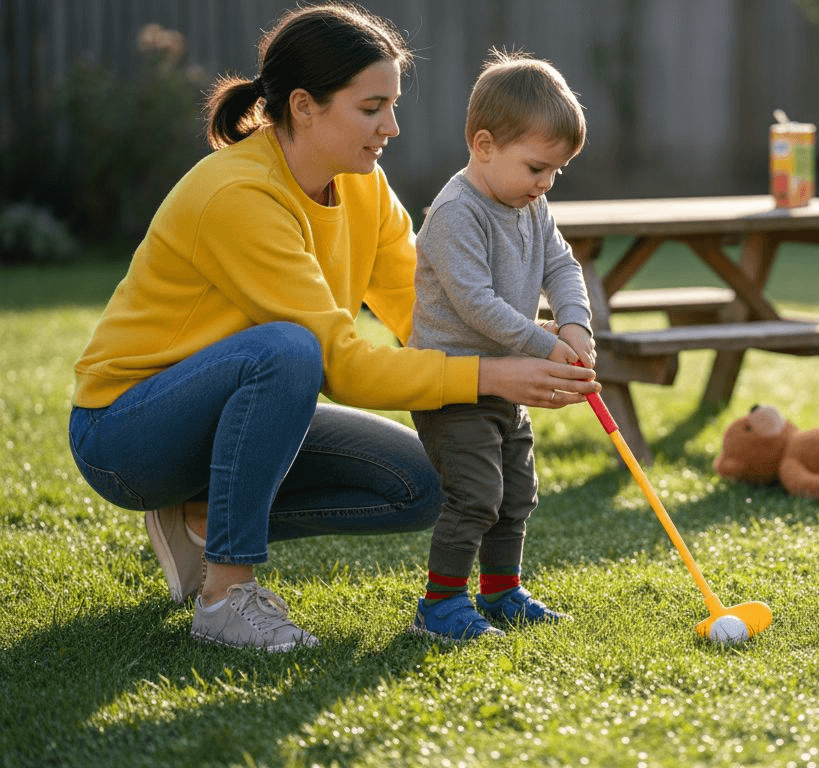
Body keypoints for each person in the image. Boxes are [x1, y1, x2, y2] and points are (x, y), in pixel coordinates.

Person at [66, 6, 599, 653]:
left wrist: (531, 346)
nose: (392, 127)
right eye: (372, 108)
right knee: (289, 350)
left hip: (235, 408)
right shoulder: (239, 195)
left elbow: (425, 312)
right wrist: (493, 374)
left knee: (432, 482)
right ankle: (226, 596)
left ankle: (202, 516)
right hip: (125, 434)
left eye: (392, 106)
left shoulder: (362, 187)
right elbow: (337, 363)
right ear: (304, 106)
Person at [407, 50, 595, 642]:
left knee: (517, 493)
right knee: (476, 496)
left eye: (555, 172)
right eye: (537, 167)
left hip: (506, 380)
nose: (546, 184)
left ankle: (501, 592)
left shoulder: (531, 204)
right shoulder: (456, 214)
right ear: (484, 145)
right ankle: (440, 604)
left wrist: (575, 324)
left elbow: (562, 265)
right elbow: (475, 304)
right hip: (454, 384)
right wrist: (542, 344)